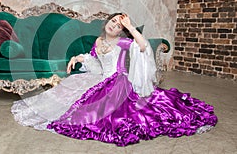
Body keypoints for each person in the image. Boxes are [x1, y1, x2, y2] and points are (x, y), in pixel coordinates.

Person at [11, 13, 217, 146]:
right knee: (68, 97)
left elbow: (143, 46)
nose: (113, 26)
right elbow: (94, 59)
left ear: (121, 30)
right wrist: (78, 57)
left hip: (118, 81)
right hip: (99, 77)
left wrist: (131, 27)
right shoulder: (98, 40)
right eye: (112, 21)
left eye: (118, 25)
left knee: (113, 112)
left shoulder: (124, 42)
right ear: (106, 23)